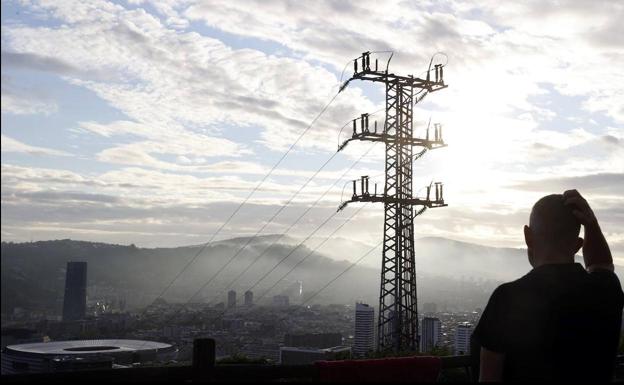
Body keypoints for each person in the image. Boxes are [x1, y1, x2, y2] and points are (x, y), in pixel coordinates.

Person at [473, 190, 623, 382]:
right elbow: (602, 264)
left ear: (528, 236)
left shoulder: (507, 299)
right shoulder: (606, 289)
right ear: (578, 245)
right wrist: (591, 224)